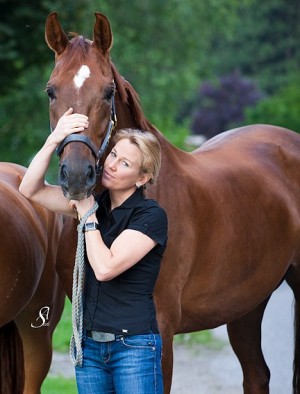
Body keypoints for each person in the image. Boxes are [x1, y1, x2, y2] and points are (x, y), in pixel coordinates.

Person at [19, 108, 168, 394]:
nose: (111, 165)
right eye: (113, 155)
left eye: (125, 163)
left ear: (141, 178)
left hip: (133, 348)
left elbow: (105, 268)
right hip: (90, 349)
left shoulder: (150, 217)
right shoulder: (94, 203)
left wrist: (87, 215)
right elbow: (30, 189)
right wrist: (55, 139)